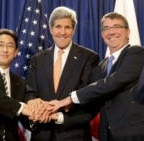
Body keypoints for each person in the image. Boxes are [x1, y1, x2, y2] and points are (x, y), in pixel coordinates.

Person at [49, 12, 144, 141]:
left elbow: (114, 82)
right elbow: (92, 101)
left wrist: (70, 98)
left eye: (117, 27)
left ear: (128, 32)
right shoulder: (101, 67)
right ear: (102, 35)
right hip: (108, 135)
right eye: (106, 28)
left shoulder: (137, 53)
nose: (111, 32)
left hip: (138, 132)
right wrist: (57, 116)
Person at [25, 6, 100, 141]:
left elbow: (89, 98)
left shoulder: (89, 57)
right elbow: (30, 91)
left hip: (74, 134)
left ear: (74, 30)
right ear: (51, 29)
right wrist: (35, 105)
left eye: (67, 27)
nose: (62, 32)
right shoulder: (38, 59)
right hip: (42, 133)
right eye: (58, 27)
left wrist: (60, 117)